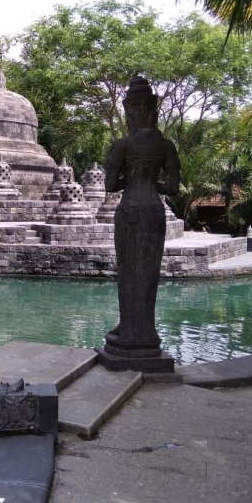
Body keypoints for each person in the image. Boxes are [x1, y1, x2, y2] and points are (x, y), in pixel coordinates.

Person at [103, 76, 180, 356]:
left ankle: (129, 329)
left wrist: (132, 178)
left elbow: (110, 185)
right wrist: (151, 181)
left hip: (130, 210)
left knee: (128, 271)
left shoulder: (122, 145)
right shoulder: (166, 146)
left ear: (131, 112)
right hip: (155, 212)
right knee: (149, 272)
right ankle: (144, 331)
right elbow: (172, 188)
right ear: (153, 112)